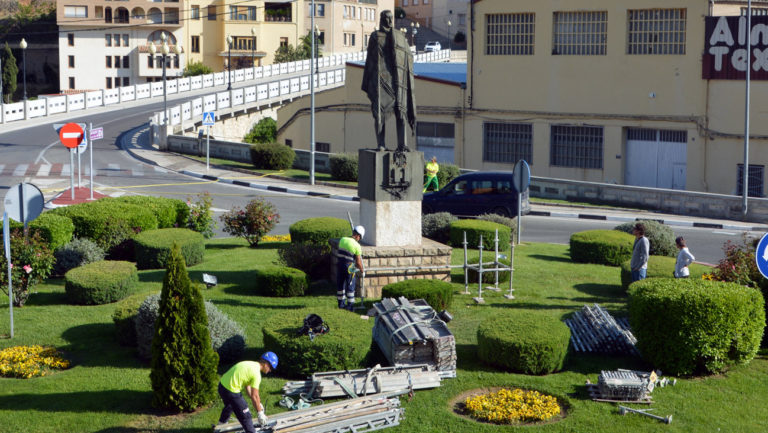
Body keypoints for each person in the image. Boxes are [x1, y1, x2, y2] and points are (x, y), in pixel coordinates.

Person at [361, 10, 416, 152]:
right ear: (382, 19)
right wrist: (372, 80)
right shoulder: (375, 37)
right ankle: (381, 143)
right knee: (380, 114)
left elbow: (408, 55)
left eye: (392, 18)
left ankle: (402, 144)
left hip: (398, 80)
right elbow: (370, 61)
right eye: (387, 18)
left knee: (401, 112)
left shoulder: (399, 36)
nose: (390, 21)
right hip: (381, 80)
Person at [216, 352, 278, 433]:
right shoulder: (256, 374)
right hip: (231, 391)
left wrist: (258, 404)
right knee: (246, 416)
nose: (270, 370)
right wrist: (260, 413)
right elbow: (254, 396)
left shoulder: (250, 364)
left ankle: (220, 426)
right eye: (271, 368)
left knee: (230, 405)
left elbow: (248, 388)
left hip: (222, 386)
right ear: (266, 364)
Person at [337, 225, 366, 311]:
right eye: (359, 238)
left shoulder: (342, 239)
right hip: (349, 268)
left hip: (339, 265)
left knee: (340, 285)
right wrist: (362, 270)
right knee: (350, 286)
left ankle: (341, 305)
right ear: (358, 236)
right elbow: (358, 262)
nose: (359, 240)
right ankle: (350, 306)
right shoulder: (357, 246)